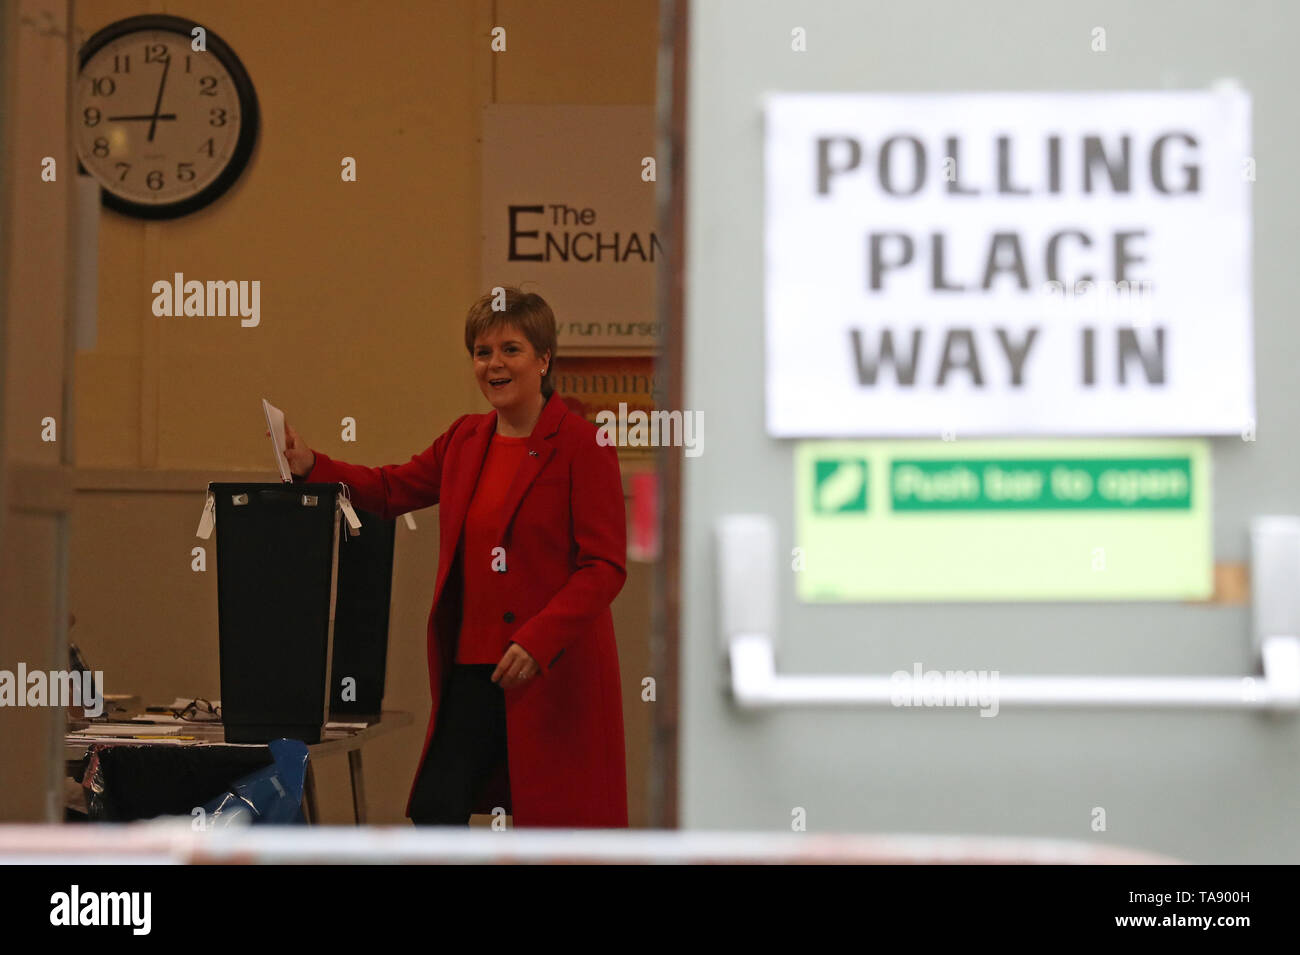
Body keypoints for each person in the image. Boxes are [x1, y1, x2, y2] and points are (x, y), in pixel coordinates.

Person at [280, 287, 629, 827]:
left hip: (549, 670)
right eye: (482, 351)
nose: (494, 364)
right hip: (473, 666)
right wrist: (311, 466)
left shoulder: (584, 445)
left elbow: (604, 566)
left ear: (544, 359)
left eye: (510, 349)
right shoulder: (466, 439)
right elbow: (392, 489)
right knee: (436, 806)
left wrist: (538, 640)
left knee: (554, 824)